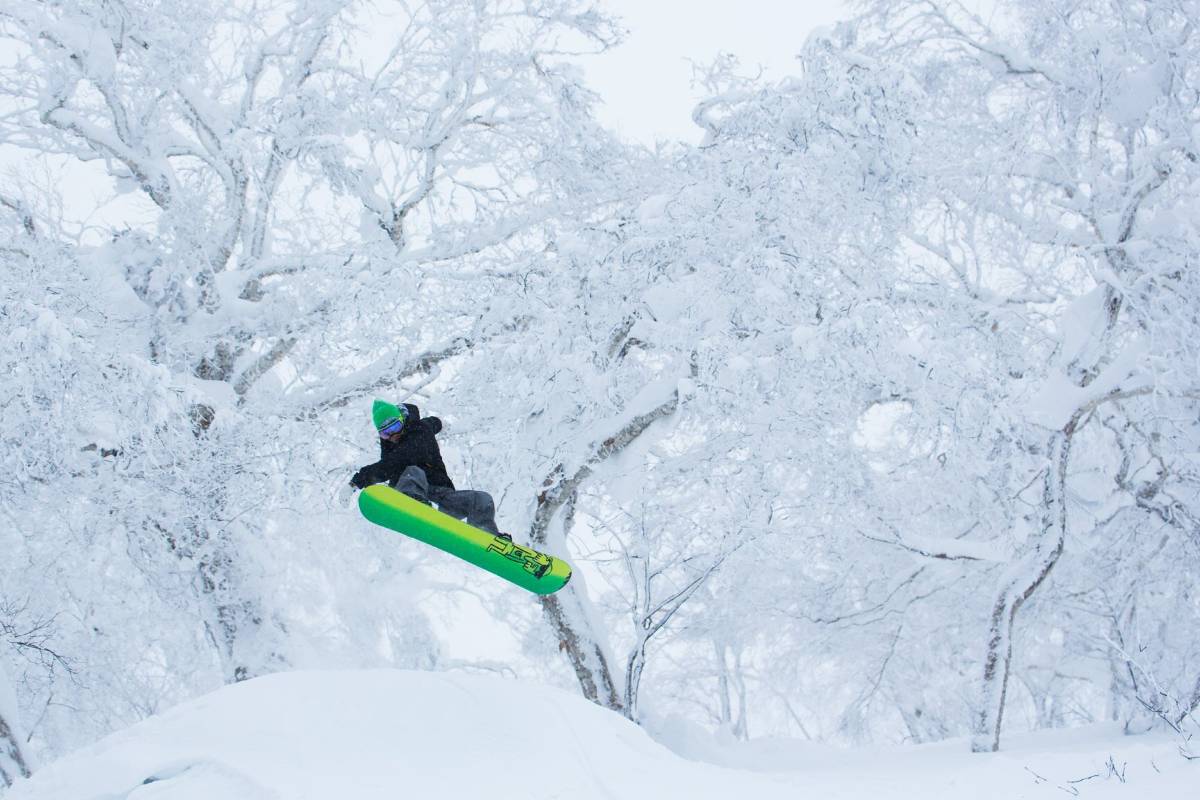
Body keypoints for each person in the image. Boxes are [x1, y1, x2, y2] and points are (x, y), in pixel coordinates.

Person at [347, 400, 511, 541]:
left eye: (395, 427)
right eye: (385, 433)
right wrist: (437, 423)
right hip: (407, 490)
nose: (392, 435)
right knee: (413, 472)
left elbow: (394, 462)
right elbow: (433, 424)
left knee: (481, 499)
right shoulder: (395, 444)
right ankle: (414, 504)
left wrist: (357, 481)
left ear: (402, 419)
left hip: (441, 495)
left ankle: (486, 536)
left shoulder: (419, 432)